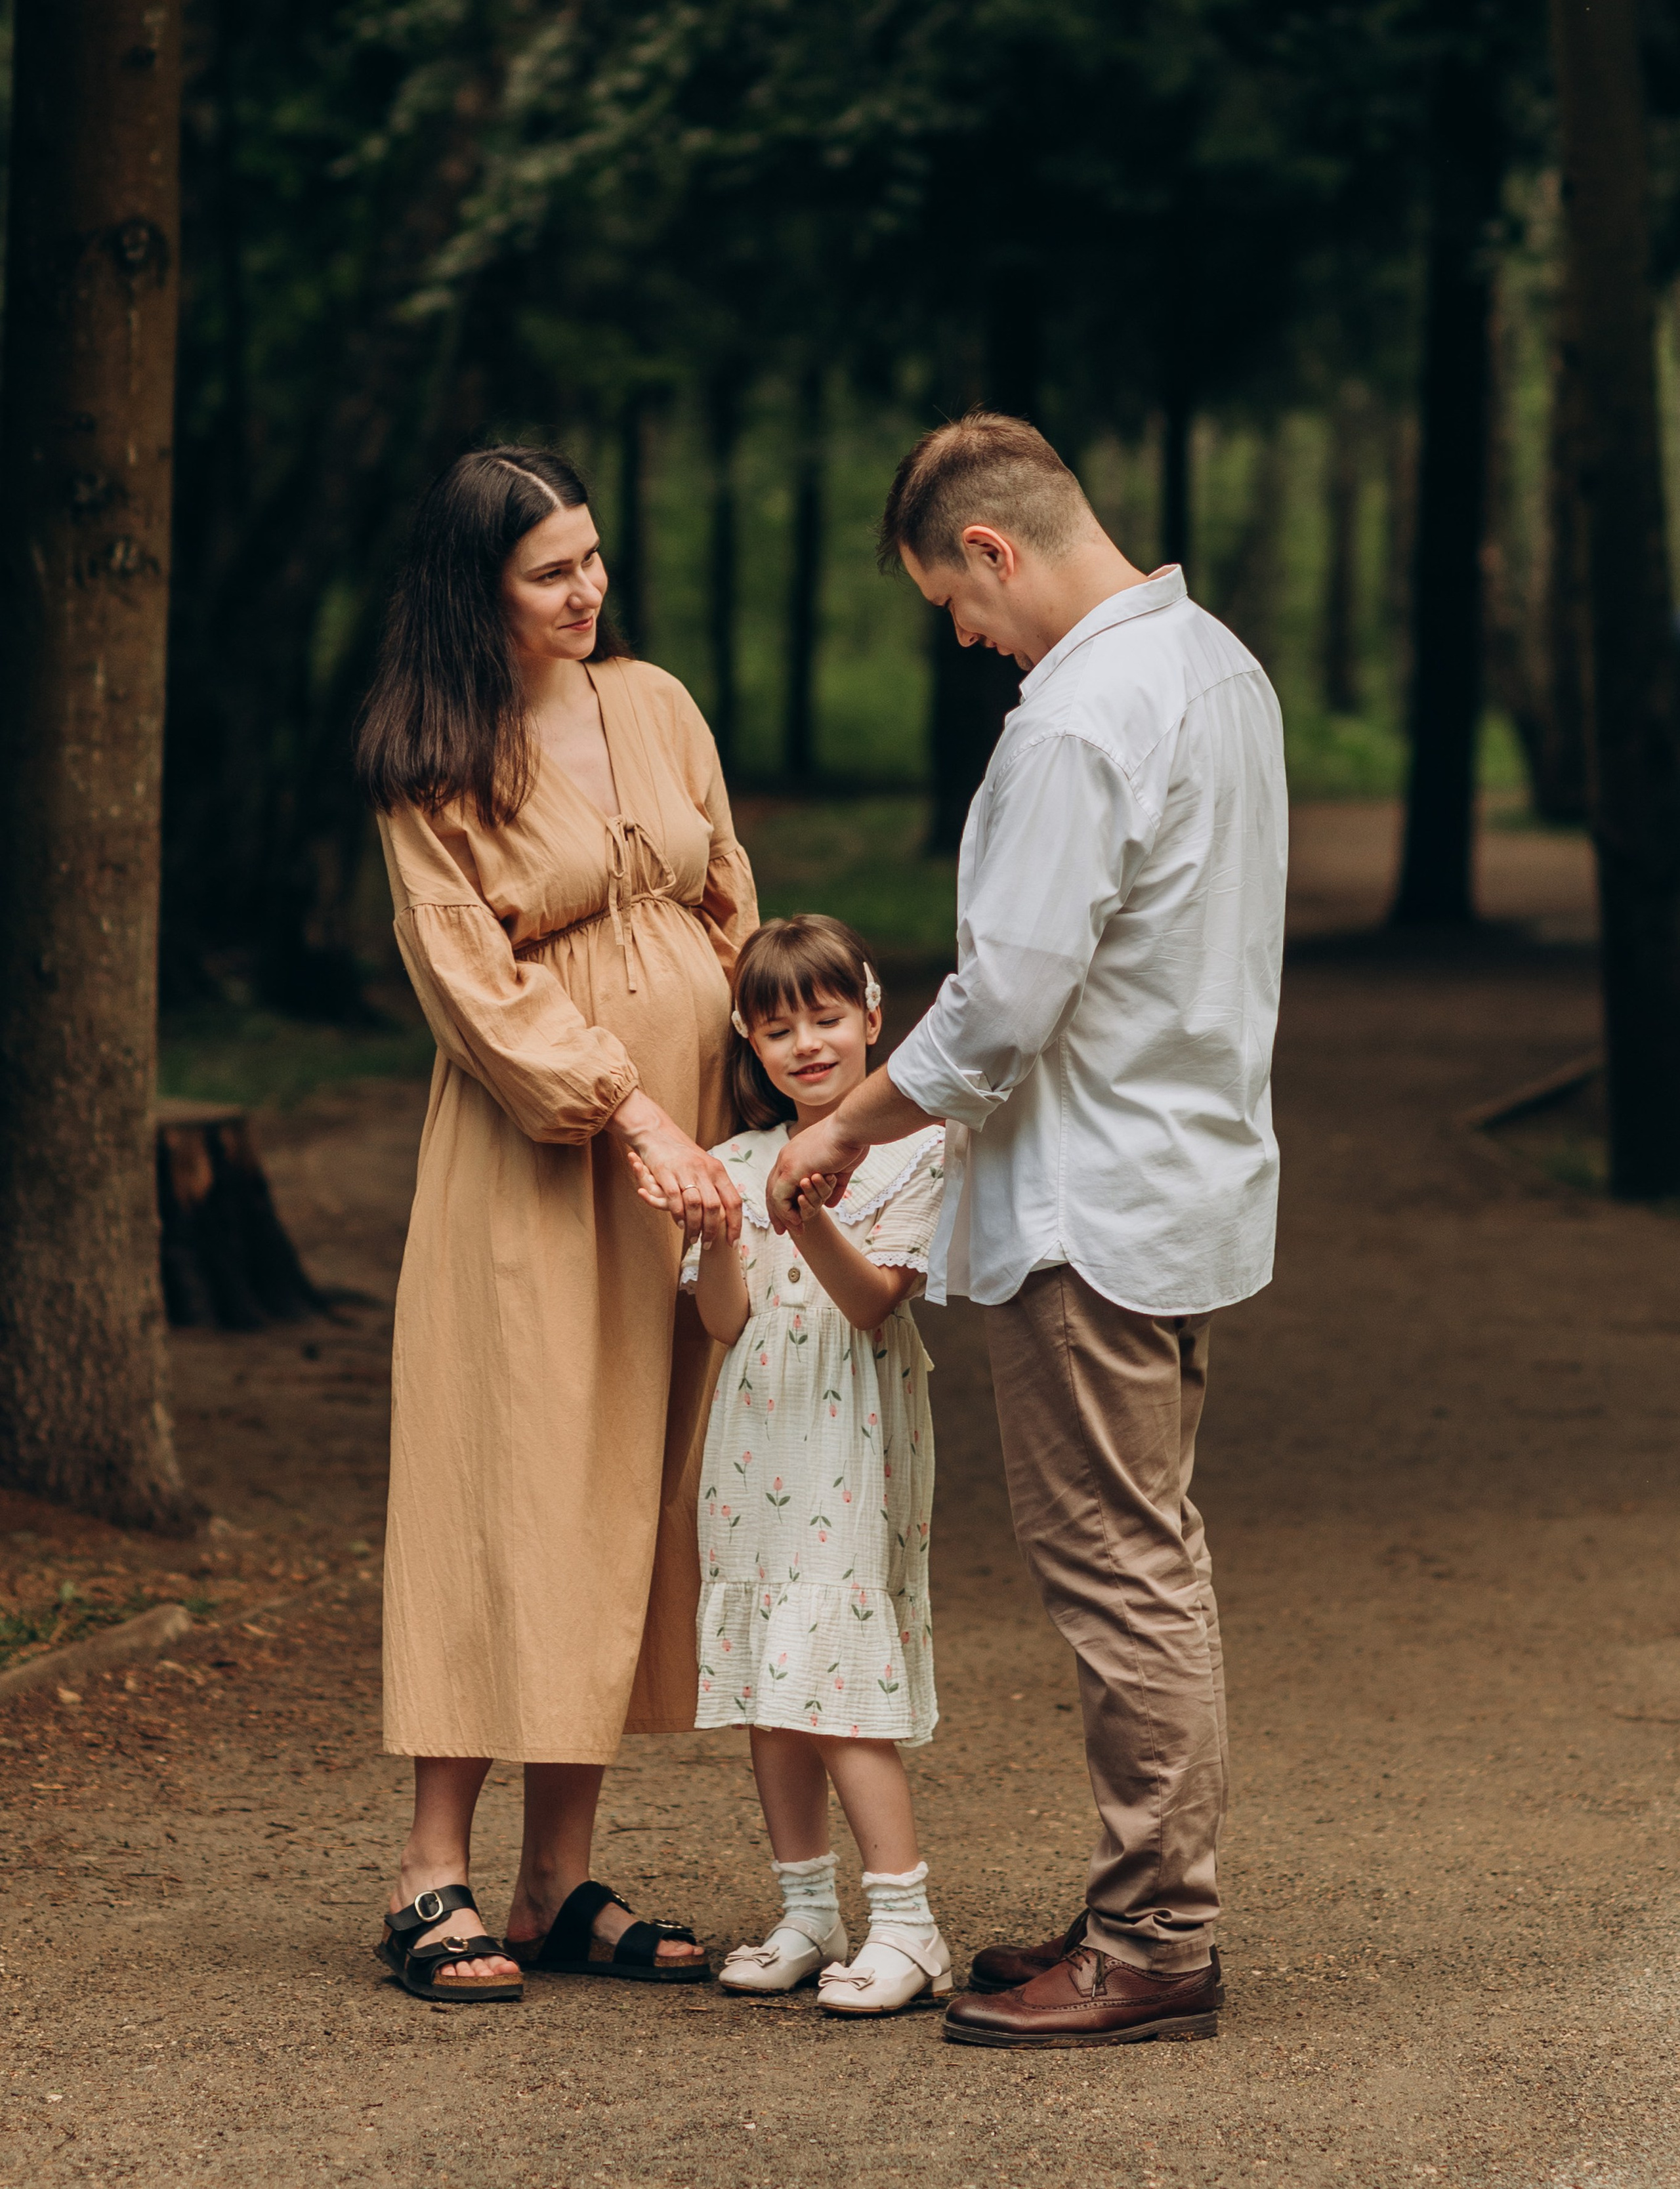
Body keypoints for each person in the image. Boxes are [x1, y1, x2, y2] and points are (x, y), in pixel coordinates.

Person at [768, 413, 1287, 2049]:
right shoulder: (1219, 669)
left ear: (991, 549)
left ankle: (1151, 1943)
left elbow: (1004, 1000)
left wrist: (845, 1124)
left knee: (1122, 1575)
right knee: (1152, 1552)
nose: (963, 635)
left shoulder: (1074, 716)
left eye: (951, 603)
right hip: (1181, 1170)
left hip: (1090, 1200)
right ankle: (1141, 1906)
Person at [353, 446, 756, 2003]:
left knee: (624, 1489)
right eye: (550, 571)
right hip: (537, 1165)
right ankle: (429, 1874)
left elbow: (725, 896)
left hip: (677, 1161)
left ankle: (553, 1881)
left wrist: (754, 1098)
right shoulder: (427, 754)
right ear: (478, 591)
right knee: (499, 1475)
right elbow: (472, 984)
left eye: (593, 557)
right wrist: (630, 1108)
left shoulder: (654, 704)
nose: (589, 588)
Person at [631, 914, 952, 2015]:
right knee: (775, 1679)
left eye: (826, 1018)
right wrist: (723, 1229)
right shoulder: (731, 1161)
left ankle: (908, 1923)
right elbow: (724, 1323)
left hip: (852, 1438)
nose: (808, 1045)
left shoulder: (917, 1148)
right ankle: (808, 1911)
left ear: (872, 1016)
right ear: (750, 1045)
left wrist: (805, 1212)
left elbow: (872, 1303)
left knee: (838, 1679)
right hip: (753, 1437)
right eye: (780, 1029)